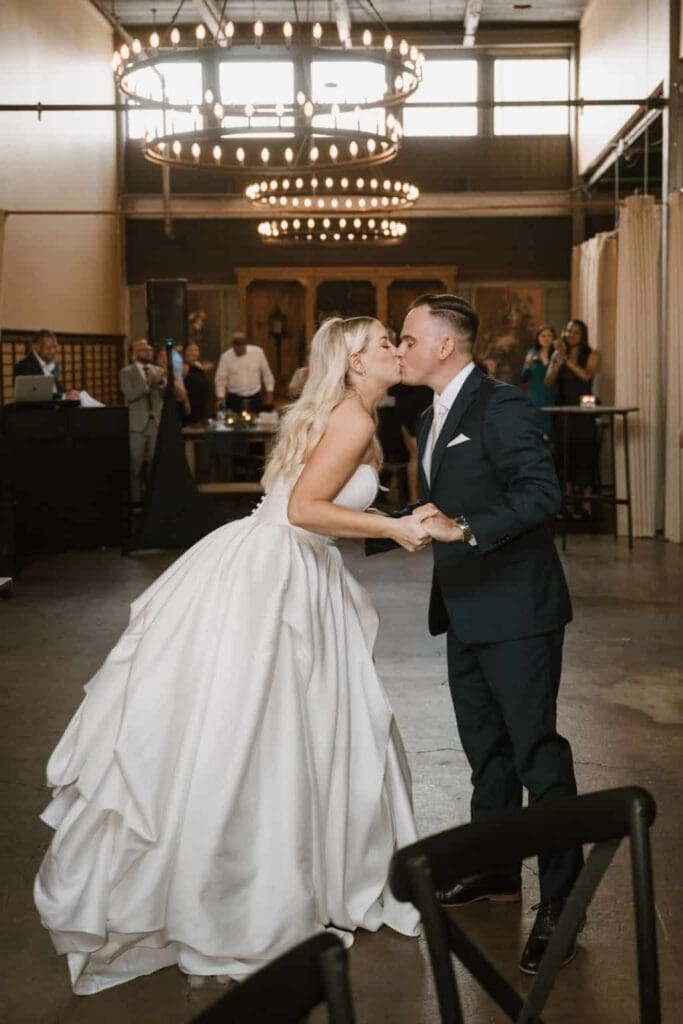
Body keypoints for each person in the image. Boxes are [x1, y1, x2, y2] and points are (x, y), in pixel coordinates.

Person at [34, 316, 427, 995]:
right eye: (384, 344)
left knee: (261, 726)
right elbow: (305, 509)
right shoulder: (354, 422)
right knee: (258, 728)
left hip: (272, 566)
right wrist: (393, 524)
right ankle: (236, 895)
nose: (397, 350)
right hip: (278, 576)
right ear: (354, 363)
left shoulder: (345, 411)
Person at [398, 293, 583, 976]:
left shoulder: (500, 405)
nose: (401, 347)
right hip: (464, 609)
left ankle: (562, 901)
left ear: (445, 344)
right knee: (487, 753)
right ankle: (497, 870)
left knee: (536, 754)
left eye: (408, 336)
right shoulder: (427, 413)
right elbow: (447, 501)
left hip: (518, 613)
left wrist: (466, 529)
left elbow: (539, 494)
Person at [545, 319, 601, 518]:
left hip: (584, 408)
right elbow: (549, 381)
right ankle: (567, 503)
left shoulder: (592, 354)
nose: (571, 335)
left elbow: (586, 376)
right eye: (568, 330)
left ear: (583, 334)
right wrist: (556, 363)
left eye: (576, 332)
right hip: (563, 408)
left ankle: (586, 504)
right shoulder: (557, 355)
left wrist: (566, 359)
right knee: (563, 454)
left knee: (585, 454)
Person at [119, 339, 166, 505]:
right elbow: (130, 395)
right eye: (144, 350)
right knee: (135, 465)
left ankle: (153, 499)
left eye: (150, 349)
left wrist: (161, 382)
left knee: (155, 465)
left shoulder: (158, 370)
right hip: (137, 424)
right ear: (135, 353)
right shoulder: (126, 372)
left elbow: (165, 393)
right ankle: (135, 500)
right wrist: (148, 384)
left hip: (155, 422)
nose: (148, 353)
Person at [215, 330, 275, 414]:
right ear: (233, 346)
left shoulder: (258, 352)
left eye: (241, 347)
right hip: (234, 398)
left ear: (245, 345)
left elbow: (267, 375)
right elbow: (220, 379)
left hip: (254, 396)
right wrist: (220, 398)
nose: (239, 350)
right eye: (236, 347)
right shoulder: (226, 357)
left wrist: (269, 395)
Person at [13, 329, 80, 401]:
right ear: (37, 347)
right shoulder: (24, 366)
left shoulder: (50, 363)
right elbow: (36, 396)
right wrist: (63, 396)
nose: (54, 351)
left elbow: (55, 389)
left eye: (55, 347)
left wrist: (68, 394)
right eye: (49, 347)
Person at [521, 324, 559, 441]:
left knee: (553, 434)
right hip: (536, 397)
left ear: (553, 338)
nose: (546, 339)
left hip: (554, 396)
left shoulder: (557, 354)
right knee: (536, 434)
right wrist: (527, 364)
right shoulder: (532, 353)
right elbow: (524, 378)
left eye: (549, 336)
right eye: (543, 336)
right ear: (538, 338)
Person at [182, 341, 212, 425]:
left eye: (196, 350)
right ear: (184, 353)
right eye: (191, 350)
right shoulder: (183, 367)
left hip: (203, 404)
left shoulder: (199, 366)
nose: (194, 353)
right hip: (191, 405)